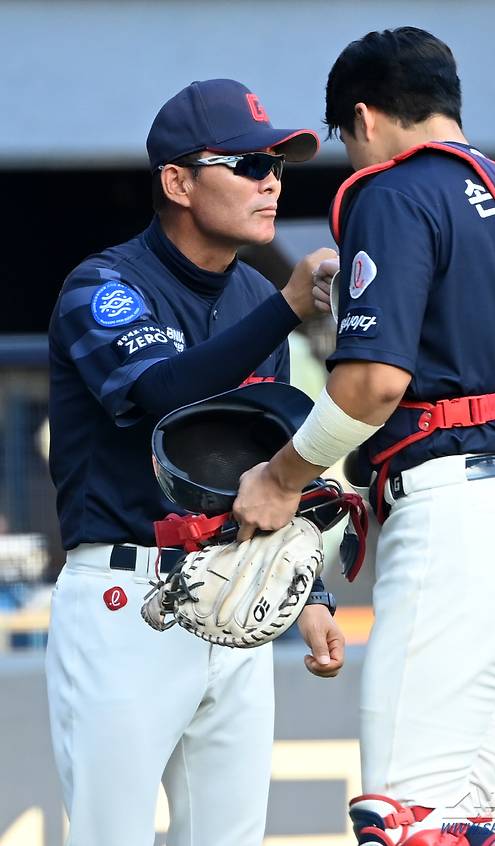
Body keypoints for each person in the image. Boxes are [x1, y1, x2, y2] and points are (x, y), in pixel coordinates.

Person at [233, 28, 495, 846]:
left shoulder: (392, 191)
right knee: (461, 823)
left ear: (363, 116)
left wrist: (282, 478)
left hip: (459, 527)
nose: (350, 157)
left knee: (404, 820)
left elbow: (372, 384)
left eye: (344, 139)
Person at [46, 77, 344, 846]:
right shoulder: (104, 285)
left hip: (237, 597)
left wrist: (308, 595)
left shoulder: (254, 298)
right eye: (247, 163)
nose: (271, 179)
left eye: (277, 164)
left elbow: (278, 462)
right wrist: (286, 306)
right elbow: (161, 395)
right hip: (126, 597)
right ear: (177, 180)